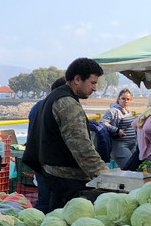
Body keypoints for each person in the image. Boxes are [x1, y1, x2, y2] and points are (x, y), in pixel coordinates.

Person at [22, 58, 107, 212]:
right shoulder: (67, 103)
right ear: (77, 79)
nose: (94, 88)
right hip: (68, 180)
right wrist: (105, 175)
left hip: (52, 173)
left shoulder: (54, 96)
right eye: (93, 83)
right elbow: (81, 146)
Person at [27, 76, 67, 211]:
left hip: (37, 157)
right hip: (49, 159)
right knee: (48, 200)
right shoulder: (56, 106)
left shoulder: (37, 106)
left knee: (44, 198)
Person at [99, 87, 137, 168]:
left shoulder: (128, 111)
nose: (125, 101)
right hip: (121, 146)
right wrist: (117, 130)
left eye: (128, 99)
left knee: (135, 168)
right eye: (123, 98)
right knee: (129, 168)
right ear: (118, 99)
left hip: (132, 145)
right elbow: (102, 122)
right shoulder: (114, 111)